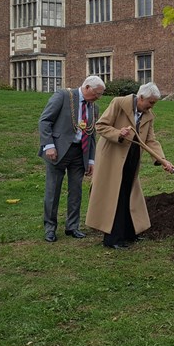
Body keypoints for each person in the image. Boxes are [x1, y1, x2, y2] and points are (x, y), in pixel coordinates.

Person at [85, 82, 174, 249]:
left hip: (131, 158)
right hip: (112, 158)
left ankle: (129, 234)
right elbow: (101, 126)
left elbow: (150, 140)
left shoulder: (148, 115)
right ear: (140, 98)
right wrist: (119, 133)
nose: (152, 106)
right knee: (115, 197)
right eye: (150, 102)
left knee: (129, 194)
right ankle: (113, 239)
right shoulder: (118, 103)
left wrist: (162, 160)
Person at [38, 76, 106, 243]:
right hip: (58, 151)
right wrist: (49, 146)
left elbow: (91, 135)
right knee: (53, 191)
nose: (98, 97)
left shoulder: (94, 107)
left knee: (76, 192)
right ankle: (50, 228)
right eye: (97, 93)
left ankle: (73, 227)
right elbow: (45, 121)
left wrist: (91, 160)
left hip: (79, 153)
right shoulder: (63, 96)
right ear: (88, 87)